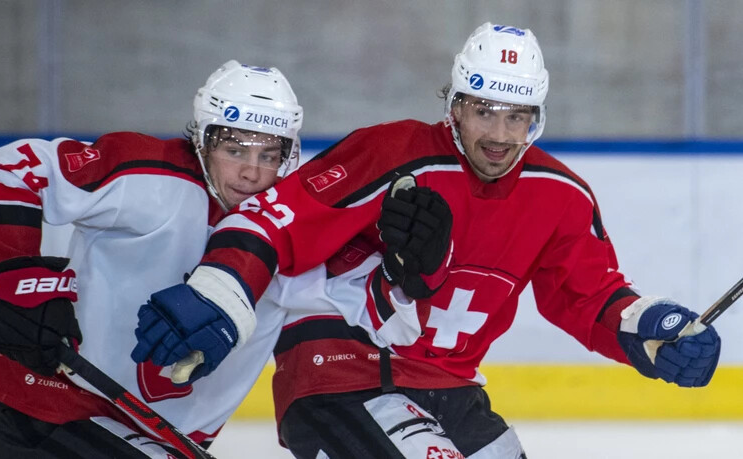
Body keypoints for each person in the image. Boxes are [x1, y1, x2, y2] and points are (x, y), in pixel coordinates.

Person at [132, 22, 723, 459]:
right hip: (342, 370)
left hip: (451, 387)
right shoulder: (393, 153)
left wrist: (652, 329)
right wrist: (216, 290)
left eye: (516, 116)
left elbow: (589, 295)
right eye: (483, 111)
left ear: (536, 118)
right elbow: (272, 221)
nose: (497, 134)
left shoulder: (560, 194)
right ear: (454, 106)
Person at [0, 60, 303, 458]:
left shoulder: (296, 226)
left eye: (268, 155)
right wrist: (23, 280)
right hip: (51, 412)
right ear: (203, 143)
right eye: (234, 149)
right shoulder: (149, 173)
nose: (251, 174)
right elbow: (5, 171)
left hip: (154, 439)